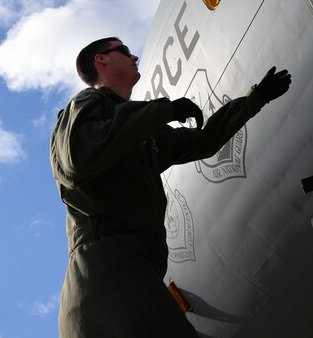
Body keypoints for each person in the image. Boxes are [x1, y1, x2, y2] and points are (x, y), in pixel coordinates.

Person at [50, 37, 291, 338]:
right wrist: (163, 111)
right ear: (101, 60)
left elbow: (201, 143)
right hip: (107, 268)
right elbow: (77, 159)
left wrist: (255, 99)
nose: (134, 56)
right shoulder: (86, 104)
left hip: (138, 267)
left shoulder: (138, 129)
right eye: (124, 51)